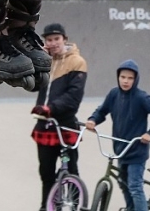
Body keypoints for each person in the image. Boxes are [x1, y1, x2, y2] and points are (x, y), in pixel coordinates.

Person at [85, 60, 150, 211]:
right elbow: (102, 110)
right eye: (123, 77)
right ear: (118, 77)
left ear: (135, 79)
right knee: (123, 184)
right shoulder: (113, 94)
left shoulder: (141, 97)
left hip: (137, 151)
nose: (125, 81)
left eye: (130, 78)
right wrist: (93, 120)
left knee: (135, 187)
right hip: (121, 150)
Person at [29, 23, 88, 211]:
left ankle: (75, 206)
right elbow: (31, 83)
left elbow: (73, 97)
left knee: (71, 172)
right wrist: (38, 58)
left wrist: (50, 108)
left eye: (56, 39)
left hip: (65, 126)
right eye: (49, 40)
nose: (53, 43)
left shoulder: (77, 62)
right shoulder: (45, 60)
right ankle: (46, 207)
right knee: (46, 174)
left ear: (65, 39)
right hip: (44, 127)